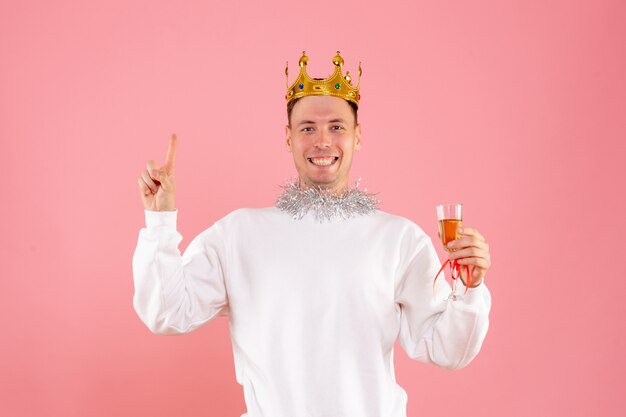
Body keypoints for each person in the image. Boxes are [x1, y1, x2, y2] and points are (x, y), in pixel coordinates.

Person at [133, 51, 492, 417]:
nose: (322, 140)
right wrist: (160, 220)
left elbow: (447, 350)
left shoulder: (399, 239)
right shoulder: (239, 234)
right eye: (308, 128)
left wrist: (470, 287)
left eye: (337, 126)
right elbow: (167, 312)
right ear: (288, 138)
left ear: (358, 136)